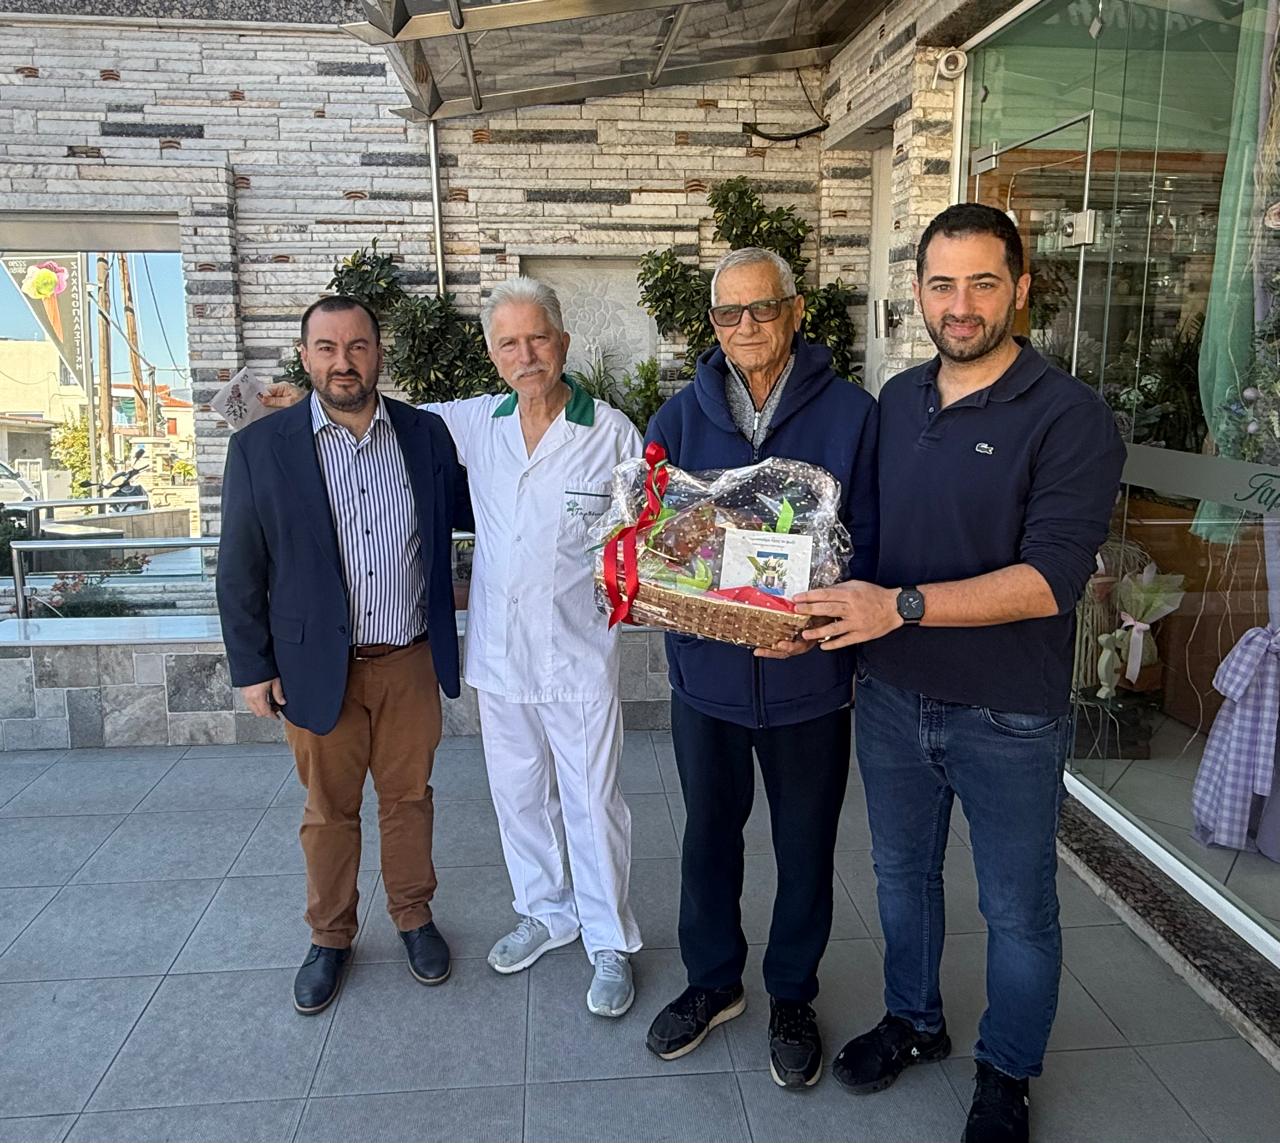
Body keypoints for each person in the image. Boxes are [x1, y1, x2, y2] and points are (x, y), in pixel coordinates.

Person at [793, 203, 1126, 1142]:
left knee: (1017, 908)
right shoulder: (899, 400)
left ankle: (1007, 1071)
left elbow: (1049, 579)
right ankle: (914, 1020)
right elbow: (865, 543)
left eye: (984, 282)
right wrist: (805, 616)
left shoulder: (1070, 416)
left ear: (1021, 288)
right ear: (918, 292)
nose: (962, 304)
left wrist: (895, 608)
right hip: (892, 696)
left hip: (1008, 713)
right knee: (901, 876)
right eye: (942, 284)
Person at [263, 277, 643, 1017]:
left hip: (577, 654)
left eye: (537, 338)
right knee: (518, 797)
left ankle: (609, 940)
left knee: (593, 803)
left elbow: (643, 533)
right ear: (493, 354)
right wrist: (292, 404)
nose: (525, 356)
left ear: (563, 342)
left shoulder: (611, 432)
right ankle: (546, 911)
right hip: (499, 657)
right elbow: (377, 416)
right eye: (508, 343)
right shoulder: (471, 422)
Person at [642, 246, 879, 1089]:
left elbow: (872, 541)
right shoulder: (677, 418)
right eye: (727, 312)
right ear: (711, 323)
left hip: (808, 682)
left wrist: (816, 629)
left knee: (805, 844)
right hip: (705, 680)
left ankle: (791, 994)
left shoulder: (852, 415)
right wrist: (680, 593)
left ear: (796, 310)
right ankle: (713, 981)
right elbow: (656, 547)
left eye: (762, 308)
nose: (745, 326)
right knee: (708, 837)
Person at [218, 295, 467, 1015]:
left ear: (378, 352)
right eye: (326, 348)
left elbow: (473, 513)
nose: (343, 361)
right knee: (329, 808)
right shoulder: (262, 448)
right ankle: (330, 935)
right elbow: (239, 567)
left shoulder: (424, 434)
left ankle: (413, 916)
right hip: (312, 667)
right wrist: (253, 667)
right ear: (305, 357)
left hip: (408, 658)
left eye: (357, 345)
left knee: (409, 798)